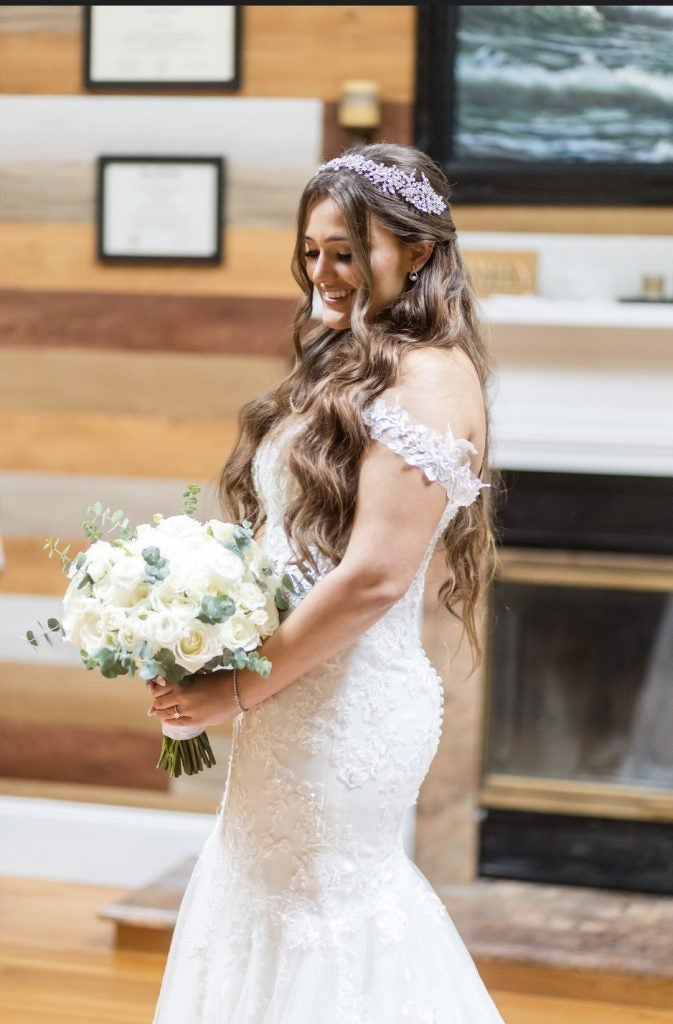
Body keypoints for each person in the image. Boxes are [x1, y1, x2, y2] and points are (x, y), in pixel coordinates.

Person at [148, 143, 504, 1023]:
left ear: (417, 252)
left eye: (345, 252)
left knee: (327, 919)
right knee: (261, 902)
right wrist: (200, 624)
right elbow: (291, 544)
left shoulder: (429, 376)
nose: (321, 272)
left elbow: (374, 578)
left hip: (346, 712)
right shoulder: (355, 359)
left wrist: (236, 687)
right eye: (310, 251)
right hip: (294, 695)